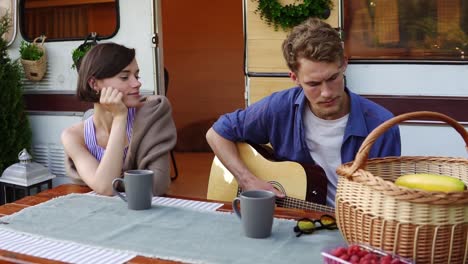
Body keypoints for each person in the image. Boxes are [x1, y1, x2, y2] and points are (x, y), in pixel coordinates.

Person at [206, 18, 401, 207]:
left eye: (333, 78)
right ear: (295, 77)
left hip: (352, 228)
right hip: (292, 223)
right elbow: (216, 133)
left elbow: (385, 203)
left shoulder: (381, 126)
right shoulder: (279, 108)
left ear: (344, 64)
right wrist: (247, 180)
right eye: (313, 84)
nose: (326, 93)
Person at [62, 43, 176, 196]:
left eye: (137, 75)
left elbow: (157, 185)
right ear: (94, 83)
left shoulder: (153, 111)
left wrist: (120, 117)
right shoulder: (74, 136)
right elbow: (105, 188)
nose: (137, 83)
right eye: (124, 77)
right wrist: (119, 118)